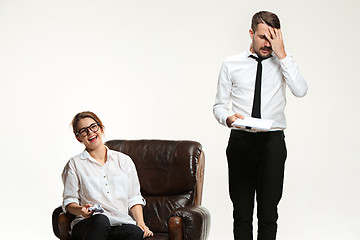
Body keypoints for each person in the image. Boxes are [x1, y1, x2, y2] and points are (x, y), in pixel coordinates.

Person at [213, 11, 308, 240]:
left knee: (268, 214)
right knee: (242, 214)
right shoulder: (231, 64)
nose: (268, 44)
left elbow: (301, 90)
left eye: (273, 38)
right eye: (263, 37)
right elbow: (218, 106)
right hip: (241, 141)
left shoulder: (284, 62)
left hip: (272, 144)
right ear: (251, 34)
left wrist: (282, 53)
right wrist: (228, 118)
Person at [62, 111, 153, 240]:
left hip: (119, 223)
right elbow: (69, 201)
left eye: (93, 126)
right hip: (89, 224)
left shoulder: (124, 161)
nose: (90, 133)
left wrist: (141, 223)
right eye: (83, 130)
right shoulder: (74, 164)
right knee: (100, 220)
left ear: (100, 127)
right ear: (78, 138)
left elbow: (134, 197)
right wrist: (81, 210)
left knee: (135, 233)